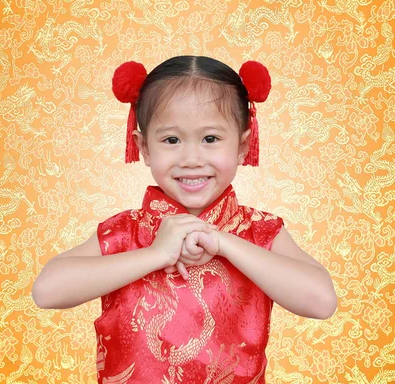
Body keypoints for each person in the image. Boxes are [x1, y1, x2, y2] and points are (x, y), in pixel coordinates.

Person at [32, 56, 337, 383]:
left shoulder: (259, 232)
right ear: (144, 147)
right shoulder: (125, 233)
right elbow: (47, 291)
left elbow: (321, 302)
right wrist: (155, 255)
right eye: (171, 140)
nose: (191, 159)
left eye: (210, 139)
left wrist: (224, 243)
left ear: (243, 145)